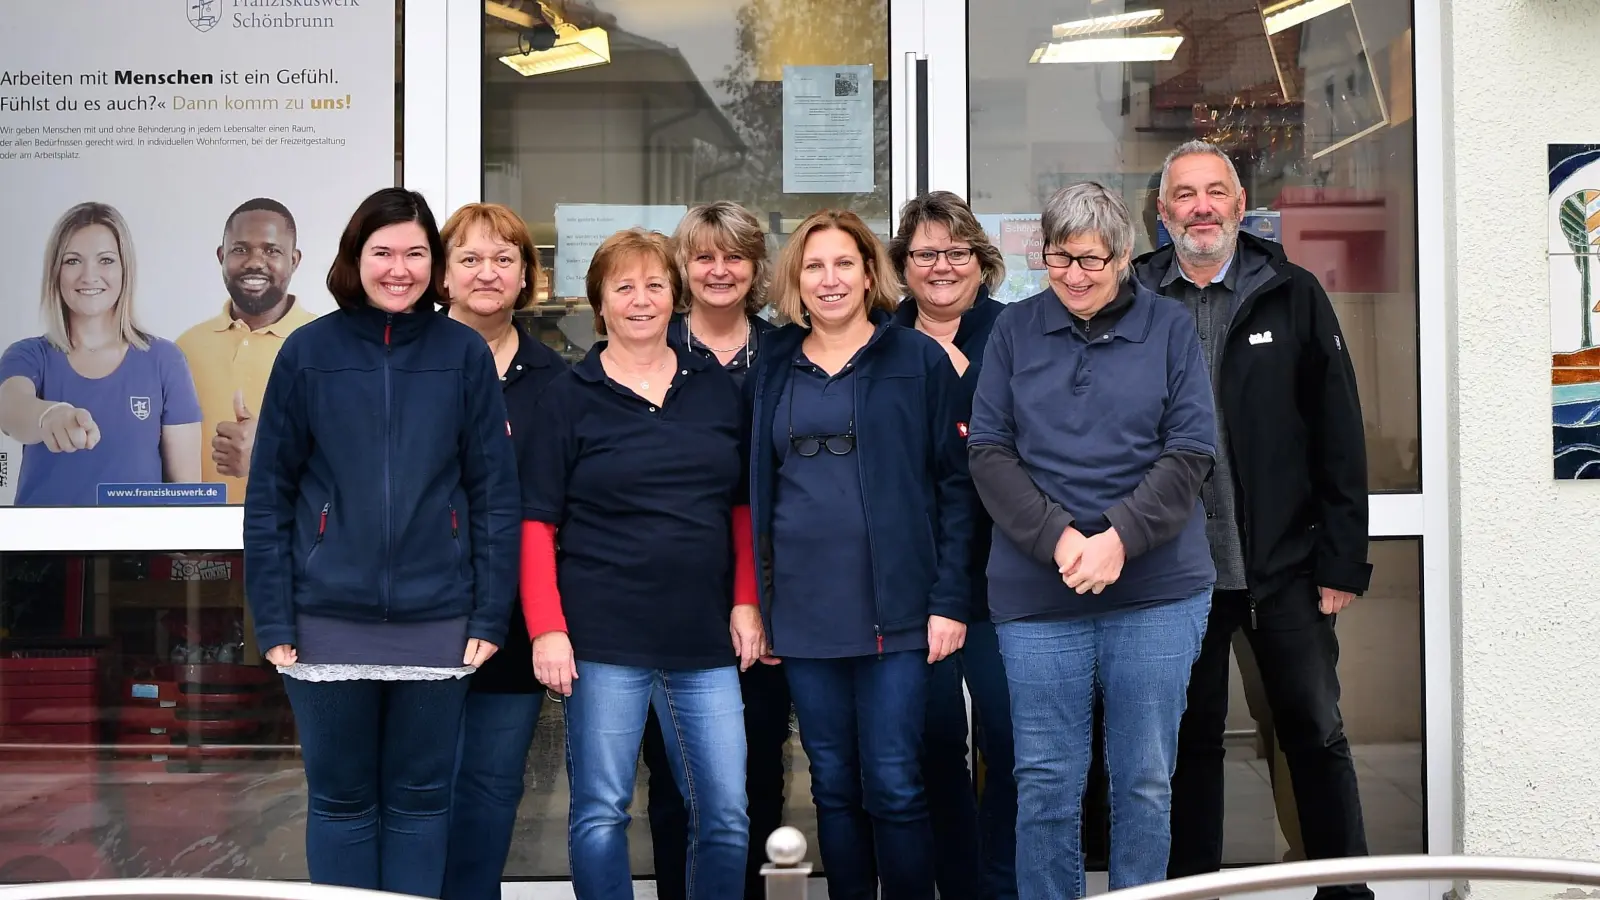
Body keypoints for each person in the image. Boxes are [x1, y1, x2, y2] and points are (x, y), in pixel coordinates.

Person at [243, 187, 520, 897]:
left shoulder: (463, 354)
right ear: (354, 258)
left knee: (421, 803)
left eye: (415, 253)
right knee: (340, 802)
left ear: (435, 264)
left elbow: (494, 494)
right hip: (325, 619)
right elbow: (269, 494)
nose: (399, 269)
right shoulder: (309, 352)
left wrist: (490, 614)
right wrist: (273, 618)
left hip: (438, 618)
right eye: (383, 252)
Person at [967, 181, 1216, 900]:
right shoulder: (1014, 331)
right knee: (1045, 782)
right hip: (1038, 594)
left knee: (1144, 781)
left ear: (1124, 255)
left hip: (1155, 593)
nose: (1073, 275)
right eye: (1058, 257)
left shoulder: (1169, 328)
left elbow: (1190, 450)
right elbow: (989, 450)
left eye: (1090, 260)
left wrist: (1117, 539)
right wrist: (1060, 539)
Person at [1141, 139, 1374, 900]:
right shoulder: (1136, 297)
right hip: (1175, 575)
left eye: (1216, 192)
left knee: (1314, 732)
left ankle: (1347, 893)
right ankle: (1191, 892)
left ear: (1241, 206)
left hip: (1286, 570)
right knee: (1187, 746)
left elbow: (1339, 434)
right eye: (1185, 195)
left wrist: (1342, 560)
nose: (1201, 207)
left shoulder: (1292, 292)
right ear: (1162, 211)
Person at [519, 227, 760, 900]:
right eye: (623, 287)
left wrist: (746, 600)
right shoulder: (568, 396)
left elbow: (742, 508)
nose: (641, 299)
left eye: (655, 285)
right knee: (601, 813)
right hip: (604, 641)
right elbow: (535, 523)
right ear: (599, 304)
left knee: (727, 814)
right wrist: (547, 628)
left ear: (675, 297)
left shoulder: (716, 389)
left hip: (703, 638)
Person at [749, 208, 975, 900]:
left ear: (870, 274)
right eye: (814, 266)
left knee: (895, 782)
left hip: (897, 612)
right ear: (797, 280)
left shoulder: (916, 360)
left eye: (844, 263)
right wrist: (760, 603)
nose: (830, 279)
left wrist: (949, 601)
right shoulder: (773, 364)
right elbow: (755, 487)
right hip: (804, 614)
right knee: (833, 785)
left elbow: (957, 489)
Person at [640, 200, 786, 900]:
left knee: (759, 768)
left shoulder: (786, 352)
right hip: (672, 591)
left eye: (735, 256)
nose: (719, 270)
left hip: (769, 588)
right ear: (683, 267)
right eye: (703, 256)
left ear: (756, 267)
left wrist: (763, 597)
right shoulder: (650, 347)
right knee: (674, 776)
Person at [886, 190, 1015, 900]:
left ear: (981, 260)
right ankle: (958, 884)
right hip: (915, 582)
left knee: (1013, 743)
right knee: (933, 746)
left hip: (1006, 578)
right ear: (902, 266)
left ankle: (1001, 885)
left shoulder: (1017, 332)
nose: (942, 266)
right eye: (925, 254)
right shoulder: (878, 341)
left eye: (957, 251)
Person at [437, 202, 567, 900]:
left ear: (526, 277)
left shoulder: (558, 381)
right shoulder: (409, 364)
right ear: (444, 276)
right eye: (469, 258)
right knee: (418, 785)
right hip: (417, 611)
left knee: (490, 785)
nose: (487, 272)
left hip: (513, 617)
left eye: (504, 259)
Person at [0, 201, 202, 507]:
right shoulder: (28, 355)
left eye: (105, 260)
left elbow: (188, 494)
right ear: (55, 272)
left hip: (137, 539)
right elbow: (10, 406)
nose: (89, 275)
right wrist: (48, 416)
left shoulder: (165, 360)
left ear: (125, 270)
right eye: (72, 261)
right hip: (44, 539)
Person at [177, 197, 319, 504]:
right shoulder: (184, 349)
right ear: (221, 256)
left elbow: (359, 463)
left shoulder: (330, 346)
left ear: (294, 260)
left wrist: (269, 456)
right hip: (198, 533)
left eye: (271, 250)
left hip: (296, 532)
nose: (255, 262)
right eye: (240, 249)